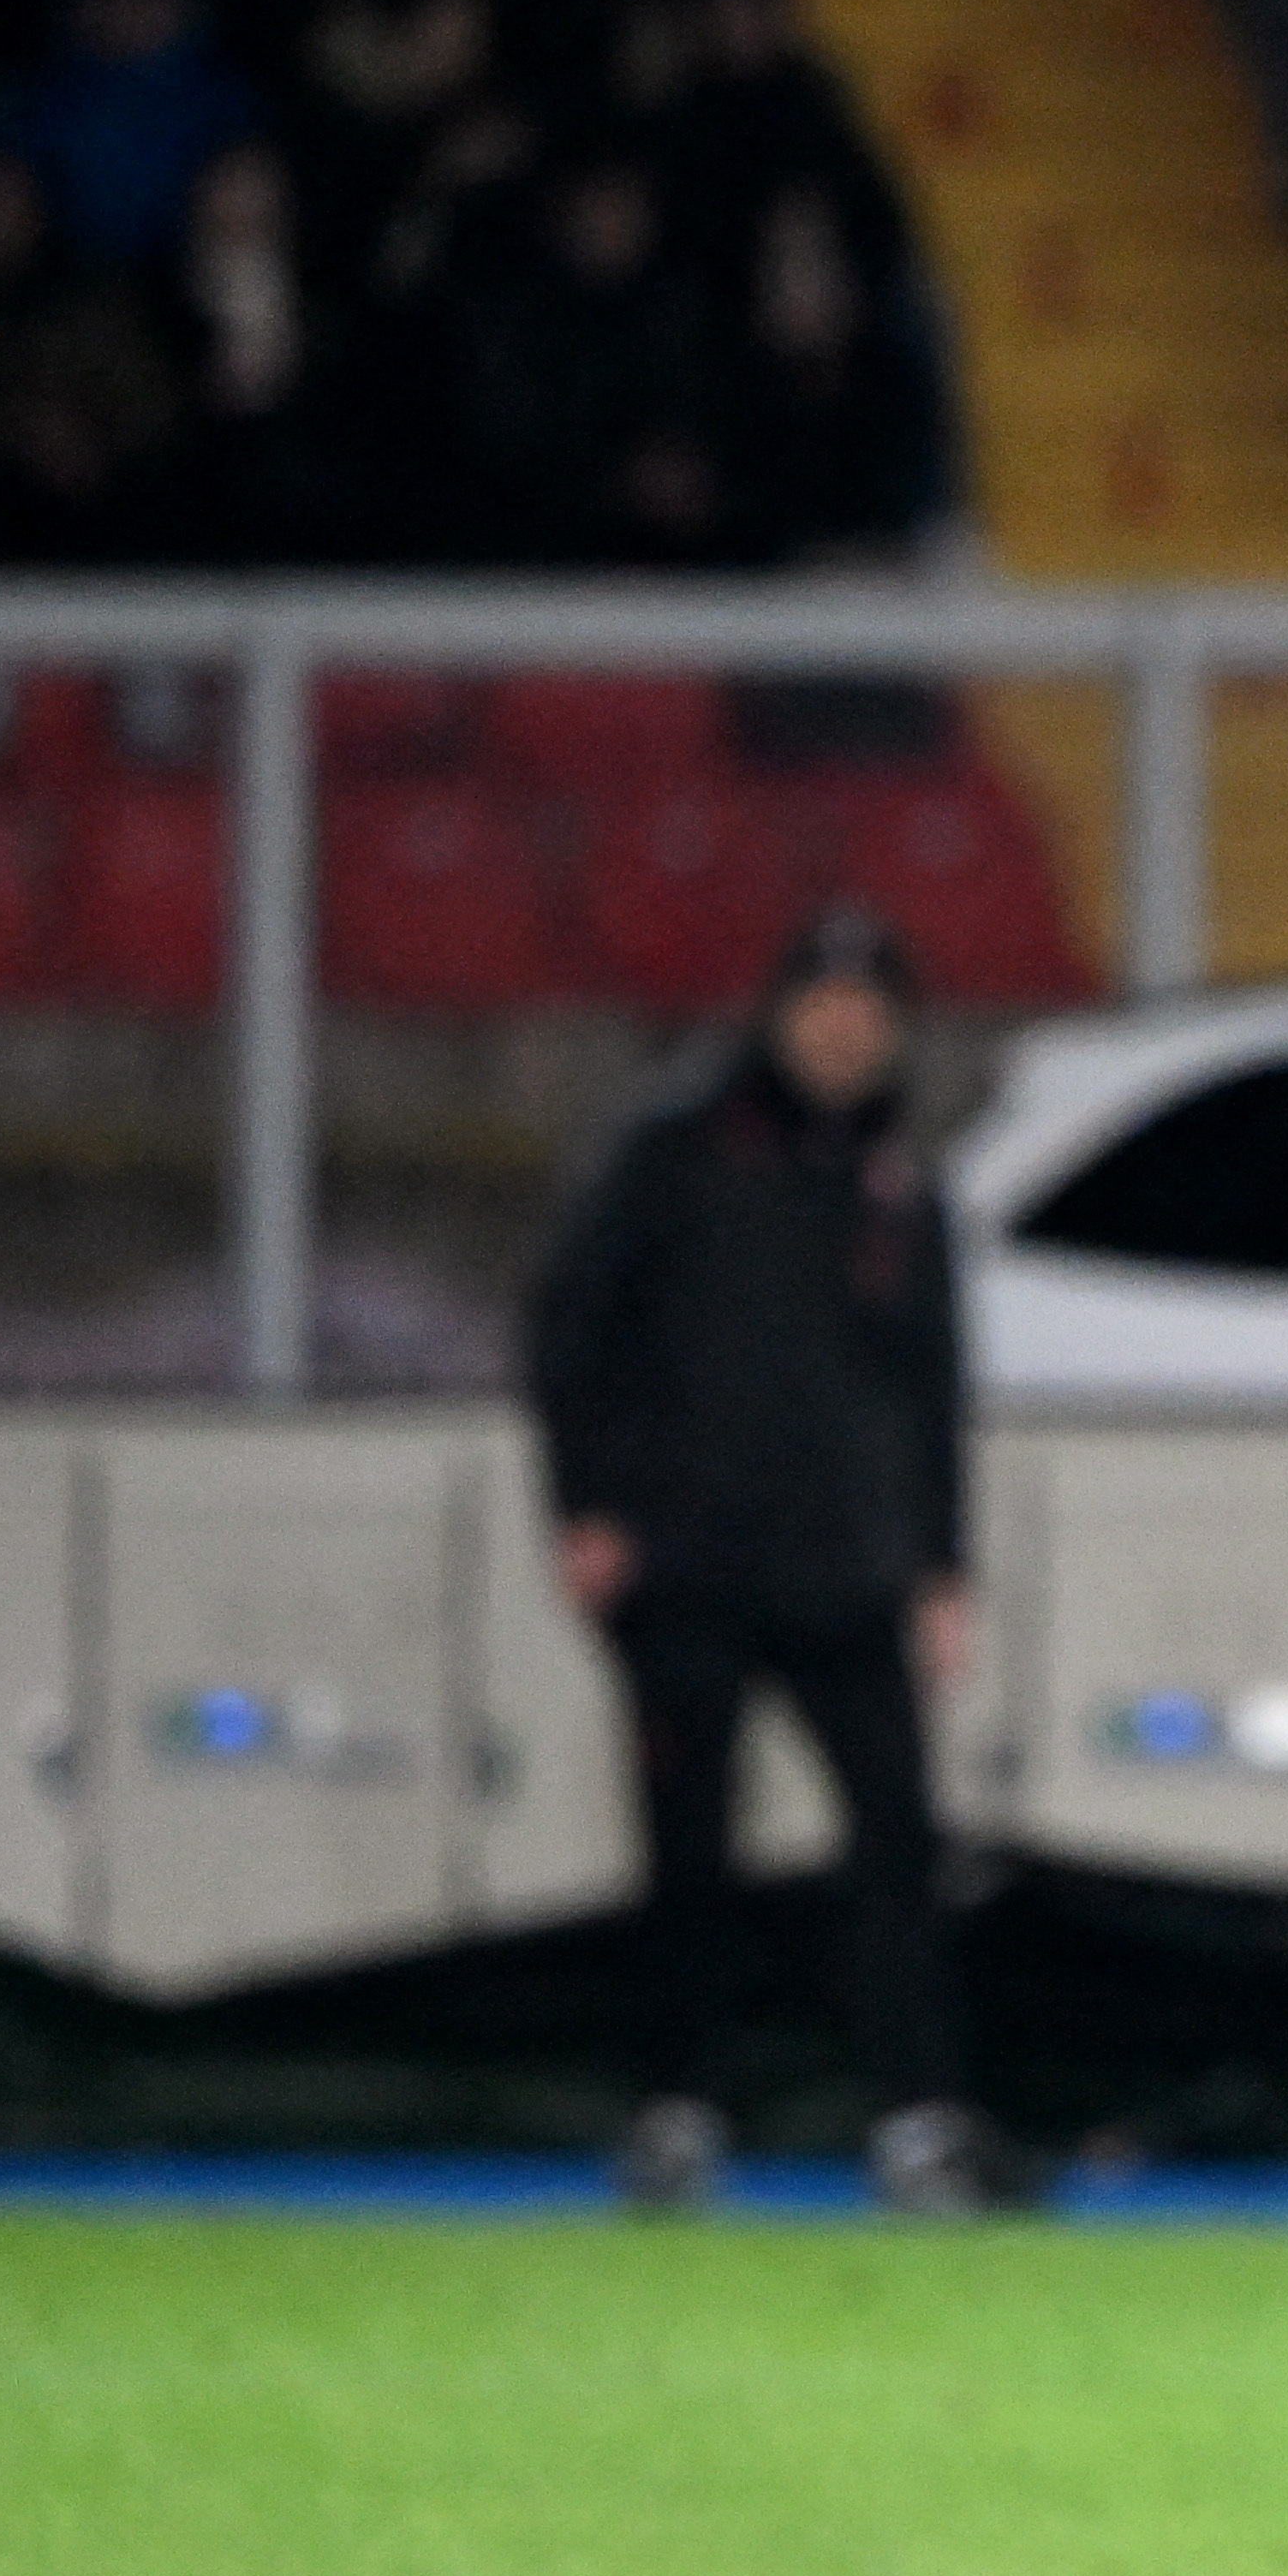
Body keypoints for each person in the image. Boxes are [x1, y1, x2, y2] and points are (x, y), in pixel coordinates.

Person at [518, 901, 983, 2216]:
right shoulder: (674, 1153)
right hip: (691, 1571)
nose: (846, 1032)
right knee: (688, 1856)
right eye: (825, 1005)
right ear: (778, 1013)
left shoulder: (899, 1182)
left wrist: (944, 1565)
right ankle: (677, 2114)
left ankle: (918, 2122)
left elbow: (936, 1390)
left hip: (850, 1574)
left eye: (870, 1010)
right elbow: (567, 1329)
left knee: (899, 1848)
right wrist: (587, 1505)